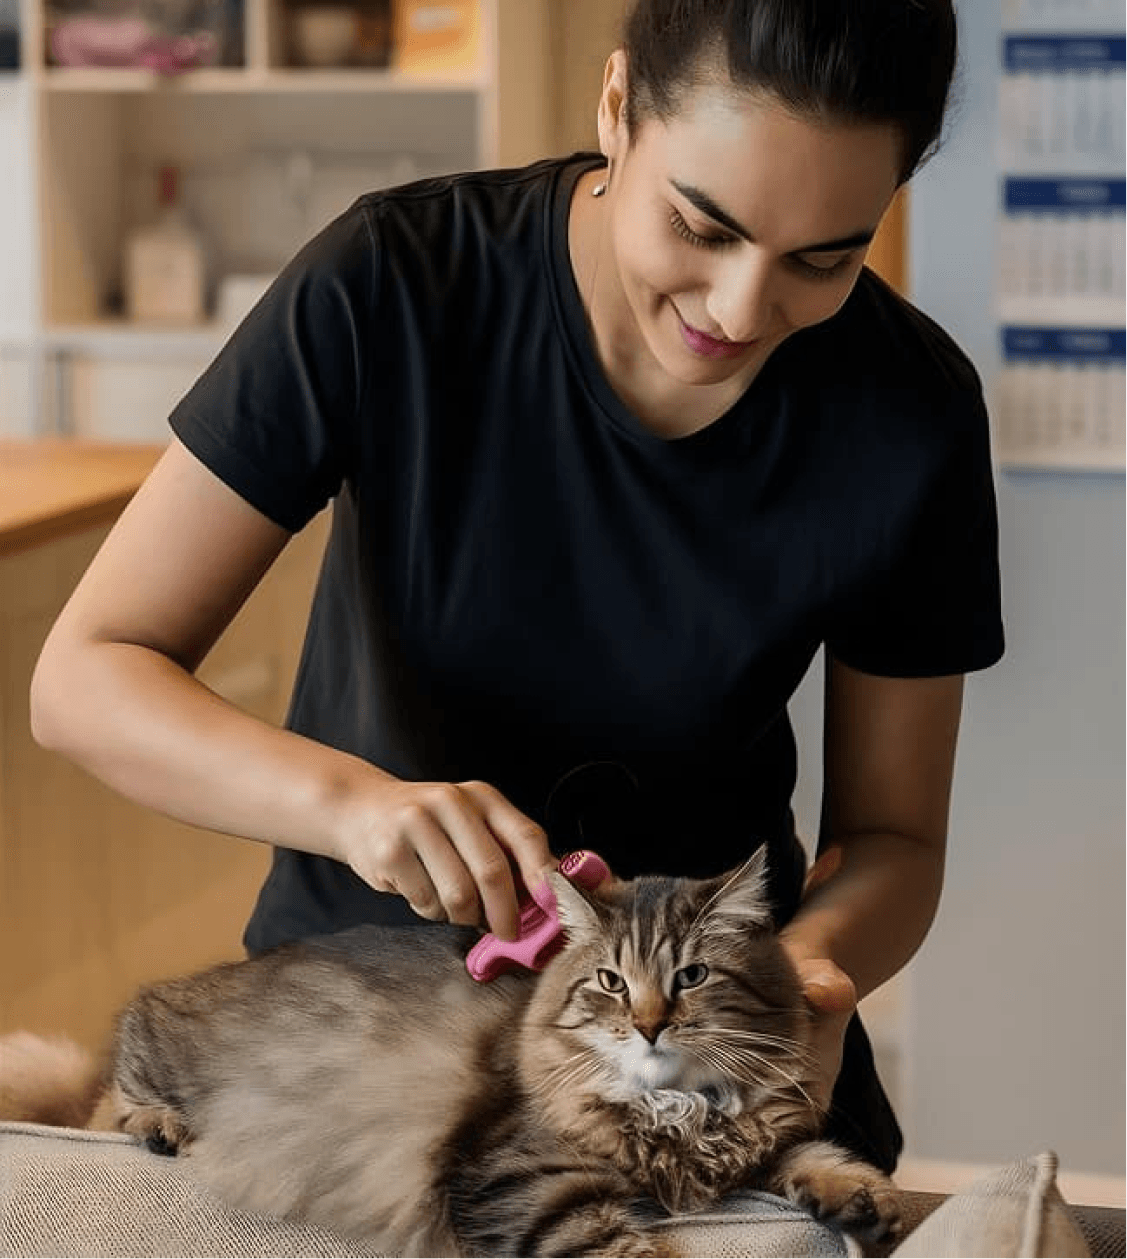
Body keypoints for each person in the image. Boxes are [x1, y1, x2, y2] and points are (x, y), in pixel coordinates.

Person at [29, 0, 1003, 1174]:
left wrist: (797, 978)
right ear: (616, 109)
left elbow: (892, 836)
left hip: (701, 1077)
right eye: (700, 225)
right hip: (362, 1058)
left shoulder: (908, 412)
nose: (740, 309)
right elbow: (86, 677)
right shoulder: (395, 281)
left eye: (822, 258)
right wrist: (354, 806)